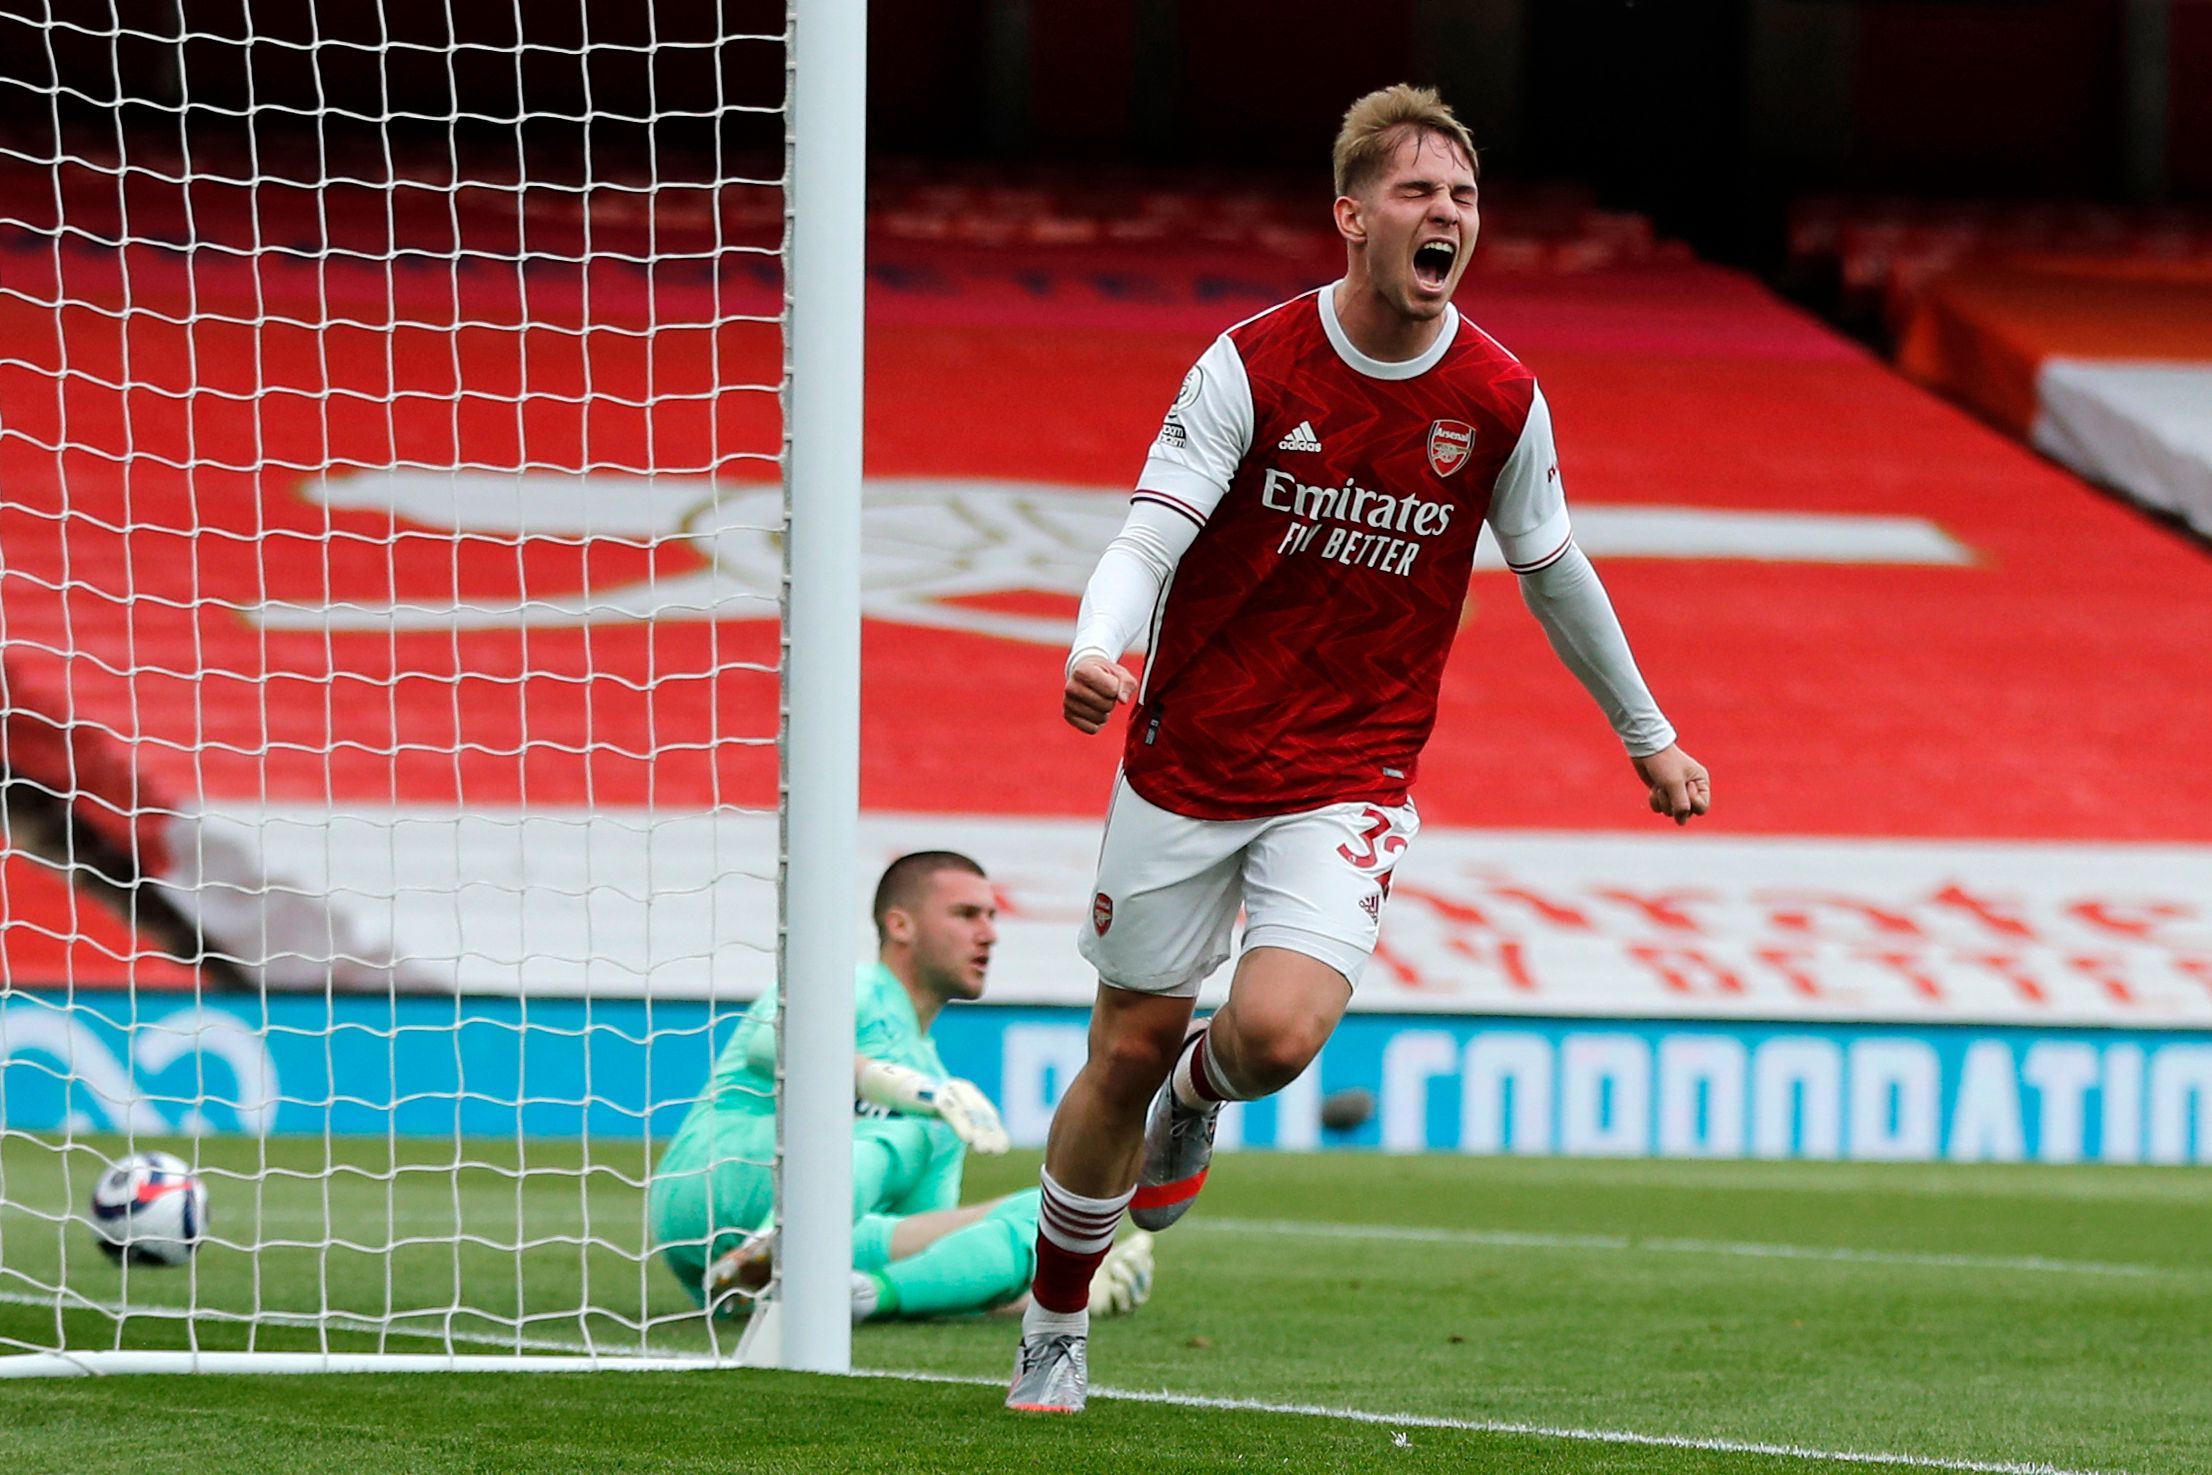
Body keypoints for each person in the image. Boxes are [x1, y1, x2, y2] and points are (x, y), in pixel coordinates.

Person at [1004, 85, 1711, 1413]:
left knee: (1269, 1036)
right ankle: (1053, 1323)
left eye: (1463, 197)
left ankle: (1203, 1100)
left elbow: (1554, 570)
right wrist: (1101, 642)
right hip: (1190, 754)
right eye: (1416, 191)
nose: (1445, 214)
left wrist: (1648, 734)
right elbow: (1149, 534)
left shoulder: (1498, 395)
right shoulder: (1251, 364)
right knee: (1122, 1046)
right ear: (1350, 215)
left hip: (1350, 768)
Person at [649, 850, 1154, 1324]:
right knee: (913, 1132)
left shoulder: (940, 1088)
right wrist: (907, 1091)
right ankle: (782, 1243)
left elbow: (918, 1236)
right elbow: (769, 1046)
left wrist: (1063, 1291)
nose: (989, 935)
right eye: (966, 914)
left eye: (992, 918)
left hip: (826, 1233)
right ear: (900, 925)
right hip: (715, 1182)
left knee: (1052, 1213)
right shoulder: (852, 986)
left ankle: (855, 1295)